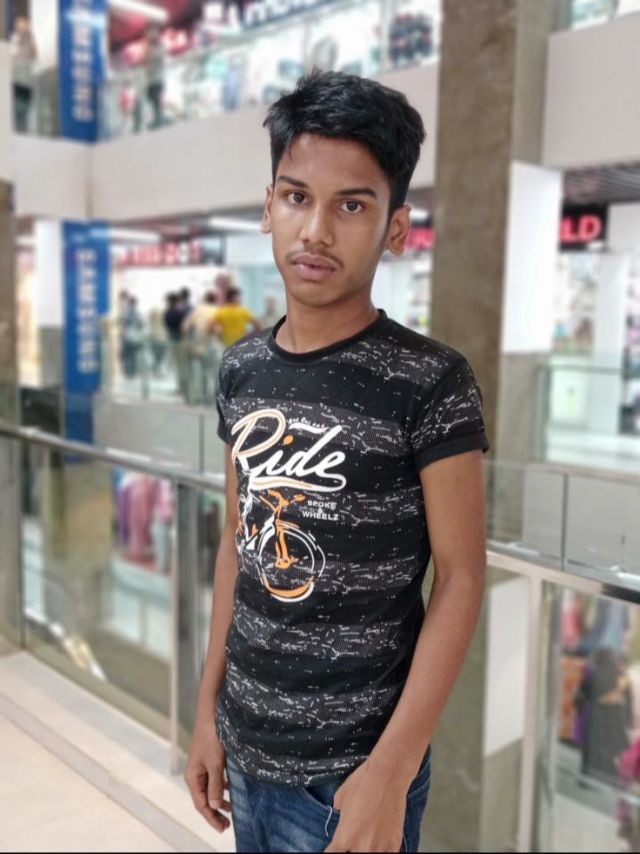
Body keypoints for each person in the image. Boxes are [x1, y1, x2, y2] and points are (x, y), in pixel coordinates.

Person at [184, 70, 490, 854]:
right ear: (268, 206)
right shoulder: (241, 369)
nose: (316, 230)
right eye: (297, 197)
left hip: (350, 778)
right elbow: (237, 545)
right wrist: (206, 711)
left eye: (351, 205)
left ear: (396, 227)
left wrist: (392, 770)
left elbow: (460, 577)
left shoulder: (430, 381)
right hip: (245, 747)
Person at [182, 291, 223, 405]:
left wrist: (188, 342)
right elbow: (218, 330)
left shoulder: (197, 310)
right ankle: (210, 399)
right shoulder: (217, 311)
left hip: (197, 344)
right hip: (212, 344)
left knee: (198, 371)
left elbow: (185, 327)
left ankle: (197, 397)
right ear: (215, 300)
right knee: (212, 372)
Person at [10, 17, 37, 133]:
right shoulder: (15, 39)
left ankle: (24, 130)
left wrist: (30, 38)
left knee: (25, 110)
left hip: (27, 82)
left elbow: (34, 54)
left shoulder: (30, 40)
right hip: (18, 80)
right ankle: (19, 130)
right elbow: (13, 57)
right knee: (19, 109)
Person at [144, 24, 165, 130]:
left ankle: (158, 120)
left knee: (156, 100)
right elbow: (146, 62)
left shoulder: (159, 47)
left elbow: (158, 59)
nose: (150, 36)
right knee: (151, 99)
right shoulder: (148, 48)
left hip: (157, 78)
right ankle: (156, 120)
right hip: (151, 79)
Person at [120, 297, 145, 379]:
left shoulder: (125, 312)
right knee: (133, 355)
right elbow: (141, 324)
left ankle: (128, 372)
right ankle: (132, 372)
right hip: (135, 337)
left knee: (128, 355)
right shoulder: (138, 313)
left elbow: (123, 324)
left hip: (127, 337)